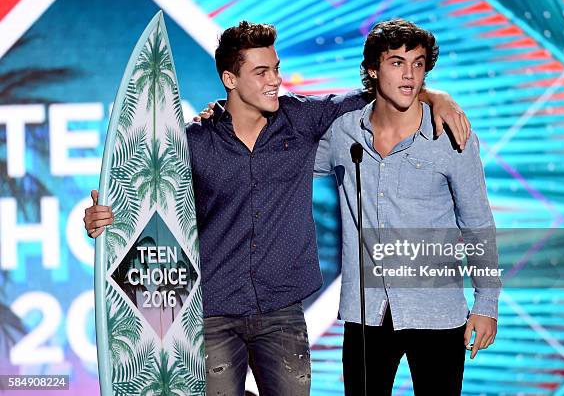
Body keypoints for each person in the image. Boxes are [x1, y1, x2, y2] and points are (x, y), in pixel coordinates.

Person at [84, 21, 470, 395]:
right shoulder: (194, 142)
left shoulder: (300, 121)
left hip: (282, 312)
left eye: (276, 69)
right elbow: (146, 201)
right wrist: (104, 218)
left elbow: (380, 93)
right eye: (261, 71)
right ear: (230, 80)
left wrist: (435, 96)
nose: (275, 80)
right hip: (213, 312)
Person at [314, 19, 500, 395]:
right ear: (372, 69)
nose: (410, 75)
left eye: (418, 64)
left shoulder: (451, 135)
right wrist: (219, 116)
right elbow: (277, 161)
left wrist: (486, 303)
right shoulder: (343, 133)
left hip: (437, 312)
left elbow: (477, 223)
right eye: (397, 62)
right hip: (366, 314)